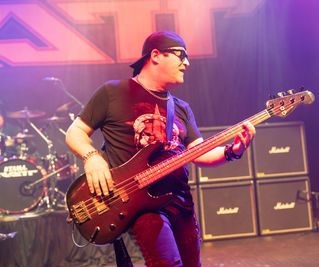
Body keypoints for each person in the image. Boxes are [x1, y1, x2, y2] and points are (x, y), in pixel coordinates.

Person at [65, 31, 255, 266]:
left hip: (180, 201)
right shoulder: (113, 93)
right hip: (143, 205)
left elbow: (199, 152)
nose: (187, 63)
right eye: (180, 55)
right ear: (155, 55)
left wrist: (232, 151)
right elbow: (75, 132)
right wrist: (92, 157)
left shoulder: (181, 108)